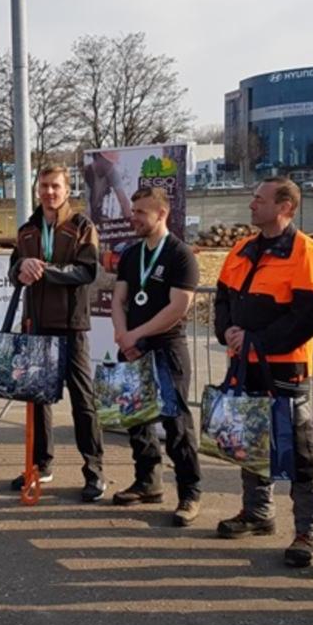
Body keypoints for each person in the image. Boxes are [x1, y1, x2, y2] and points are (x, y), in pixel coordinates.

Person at [212, 177, 313, 568]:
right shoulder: (242, 249)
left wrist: (257, 340)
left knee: (299, 451)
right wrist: (227, 330)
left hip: (286, 368)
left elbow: (310, 316)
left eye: (259, 200)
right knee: (249, 440)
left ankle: (309, 530)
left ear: (285, 207)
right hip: (244, 364)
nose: (251, 205)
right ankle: (257, 512)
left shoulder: (304, 252)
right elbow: (224, 297)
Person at [8, 165, 105, 502]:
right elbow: (13, 269)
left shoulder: (82, 227)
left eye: (56, 187)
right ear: (38, 190)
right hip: (36, 326)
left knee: (83, 401)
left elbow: (88, 270)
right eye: (45, 186)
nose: (50, 192)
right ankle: (39, 465)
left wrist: (46, 270)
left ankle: (94, 470)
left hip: (71, 326)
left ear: (68, 190)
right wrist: (21, 267)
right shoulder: (27, 230)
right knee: (37, 402)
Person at [110, 187, 202, 526]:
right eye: (133, 211)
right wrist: (123, 336)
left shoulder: (180, 255)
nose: (132, 217)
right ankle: (148, 481)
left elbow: (178, 306)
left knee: (175, 423)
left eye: (140, 213)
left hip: (166, 346)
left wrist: (137, 333)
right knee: (135, 417)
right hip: (133, 345)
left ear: (161, 214)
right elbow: (119, 299)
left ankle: (190, 493)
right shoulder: (132, 254)